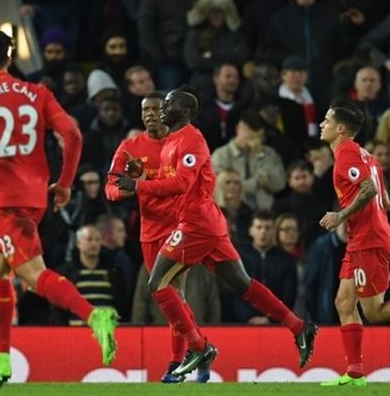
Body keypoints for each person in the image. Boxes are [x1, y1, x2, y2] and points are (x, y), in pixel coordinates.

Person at [0, 29, 118, 391]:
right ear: (10, 60)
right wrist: (66, 182)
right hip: (36, 196)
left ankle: (94, 315)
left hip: (5, 201)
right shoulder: (37, 93)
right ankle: (2, 359)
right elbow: (72, 135)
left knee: (32, 276)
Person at [113, 89, 318, 378]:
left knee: (158, 284)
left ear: (184, 112)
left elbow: (183, 184)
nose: (162, 108)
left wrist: (139, 188)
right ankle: (300, 326)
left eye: (168, 104)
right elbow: (173, 181)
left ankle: (198, 347)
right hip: (207, 223)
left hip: (196, 224)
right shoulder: (172, 141)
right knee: (242, 284)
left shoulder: (192, 140)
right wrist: (145, 177)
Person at [105, 92, 210, 383]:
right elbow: (110, 186)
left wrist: (139, 185)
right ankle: (200, 348)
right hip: (149, 231)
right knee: (168, 297)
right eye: (146, 110)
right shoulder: (130, 147)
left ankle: (179, 361)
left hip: (180, 226)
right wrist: (124, 190)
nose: (151, 113)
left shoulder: (180, 143)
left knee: (173, 292)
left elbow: (186, 183)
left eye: (156, 108)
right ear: (141, 115)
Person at [317, 99, 390, 387]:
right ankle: (356, 371)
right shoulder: (367, 156)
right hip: (365, 237)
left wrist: (341, 215)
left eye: (327, 120)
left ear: (342, 129)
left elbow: (370, 189)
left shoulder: (346, 154)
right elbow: (384, 199)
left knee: (373, 311)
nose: (322, 124)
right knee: (344, 302)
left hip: (368, 240)